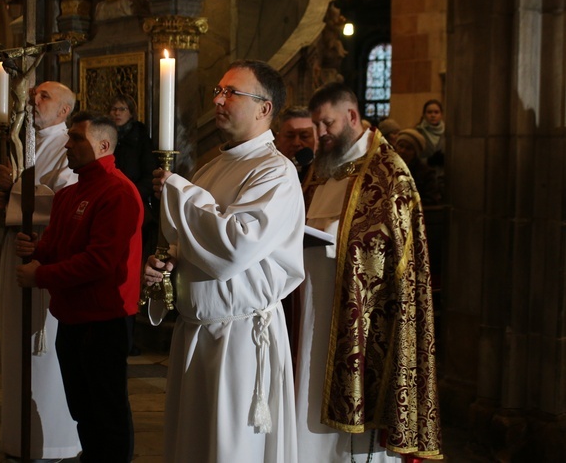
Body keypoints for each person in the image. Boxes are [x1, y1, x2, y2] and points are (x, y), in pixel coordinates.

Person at [144, 60, 305, 463]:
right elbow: (193, 244)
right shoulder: (214, 166)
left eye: (231, 92)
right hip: (196, 333)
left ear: (264, 109)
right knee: (194, 446)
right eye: (218, 90)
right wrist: (168, 265)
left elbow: (234, 249)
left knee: (232, 450)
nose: (218, 99)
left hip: (239, 339)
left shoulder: (275, 172)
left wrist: (179, 191)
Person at [297, 82, 443, 462]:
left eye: (326, 123)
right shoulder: (318, 170)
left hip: (364, 317)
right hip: (311, 304)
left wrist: (335, 235)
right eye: (316, 126)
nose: (321, 134)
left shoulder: (390, 172)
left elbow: (395, 254)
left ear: (351, 116)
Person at [15, 111, 143, 463]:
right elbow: (58, 247)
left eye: (76, 138)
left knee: (107, 408)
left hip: (104, 317)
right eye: (69, 137)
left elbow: (100, 262)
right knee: (82, 405)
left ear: (103, 146)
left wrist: (40, 276)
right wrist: (37, 250)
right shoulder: (70, 194)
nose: (68, 145)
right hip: (71, 315)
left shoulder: (118, 192)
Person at [0, 81, 81, 460]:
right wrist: (0, 201)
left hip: (46, 252)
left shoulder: (69, 147)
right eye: (33, 94)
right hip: (16, 248)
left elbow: (65, 198)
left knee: (42, 350)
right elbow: (7, 205)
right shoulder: (18, 143)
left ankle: (52, 439)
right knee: (15, 345)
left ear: (63, 111)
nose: (33, 100)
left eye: (43, 96)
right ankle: (17, 434)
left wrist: (15, 189)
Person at [108, 92, 158, 356]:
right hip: (110, 207)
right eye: (114, 108)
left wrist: (127, 194)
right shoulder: (106, 137)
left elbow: (149, 176)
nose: (117, 113)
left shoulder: (139, 139)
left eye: (122, 109)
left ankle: (128, 338)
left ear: (131, 113)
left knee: (130, 277)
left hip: (133, 208)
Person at [394, 128, 441, 206]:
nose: (402, 151)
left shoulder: (425, 173)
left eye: (408, 148)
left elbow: (431, 199)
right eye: (400, 146)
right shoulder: (387, 167)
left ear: (415, 152)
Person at [275, 105, 317, 182]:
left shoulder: (325, 175)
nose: (296, 143)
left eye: (304, 136)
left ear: (317, 139)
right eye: (290, 136)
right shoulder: (270, 170)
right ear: (278, 139)